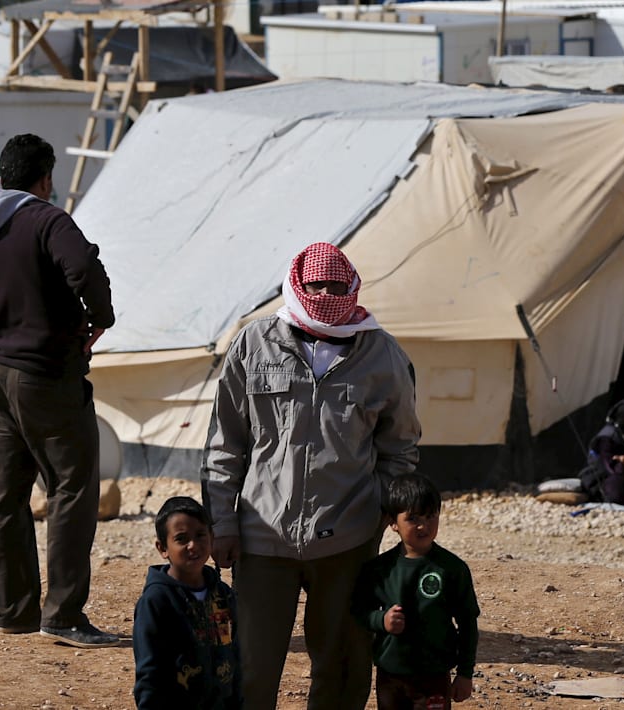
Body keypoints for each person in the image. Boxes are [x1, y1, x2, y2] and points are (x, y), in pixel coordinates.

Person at [202, 241, 421, 710]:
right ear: (297, 284)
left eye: (337, 287)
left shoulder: (382, 354)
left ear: (353, 288)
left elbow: (400, 448)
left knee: (342, 667)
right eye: (316, 285)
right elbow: (225, 443)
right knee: (250, 669)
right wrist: (222, 522)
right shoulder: (255, 344)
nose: (325, 295)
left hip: (347, 540)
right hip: (262, 537)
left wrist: (377, 515)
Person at [0, 133, 117, 648]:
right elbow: (84, 267)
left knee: (5, 495)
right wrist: (101, 317)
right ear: (45, 177)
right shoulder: (46, 220)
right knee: (72, 486)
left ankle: (15, 610)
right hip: (46, 373)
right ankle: (64, 614)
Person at [352, 474, 479, 709]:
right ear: (393, 523)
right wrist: (382, 620)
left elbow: (468, 622)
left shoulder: (452, 569)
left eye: (430, 516)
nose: (424, 526)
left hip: (435, 677)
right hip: (391, 677)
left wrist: (465, 673)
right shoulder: (379, 569)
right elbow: (359, 611)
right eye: (413, 518)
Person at [133, 496, 241, 710]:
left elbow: (236, 657)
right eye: (181, 539)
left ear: (211, 537)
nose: (193, 545)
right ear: (162, 548)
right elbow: (149, 674)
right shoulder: (156, 601)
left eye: (200, 535)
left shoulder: (223, 595)